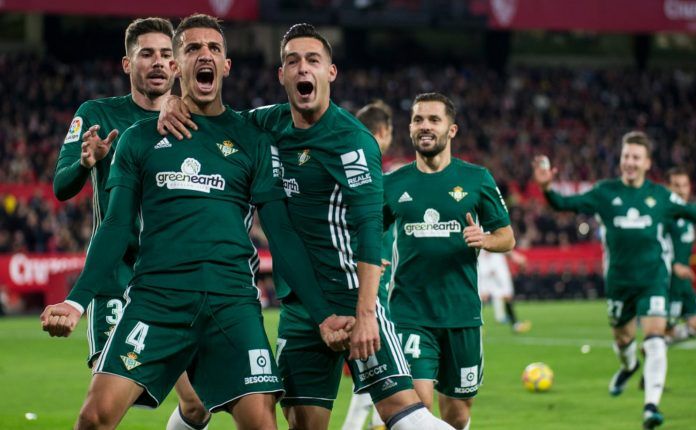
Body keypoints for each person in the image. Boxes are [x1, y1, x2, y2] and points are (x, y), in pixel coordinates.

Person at [40, 14, 351, 430]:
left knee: (260, 422)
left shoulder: (253, 137)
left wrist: (322, 314)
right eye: (191, 49)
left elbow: (283, 235)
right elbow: (114, 226)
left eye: (214, 49)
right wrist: (76, 301)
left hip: (231, 304)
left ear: (225, 66)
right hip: (156, 300)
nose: (204, 55)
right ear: (178, 66)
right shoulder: (139, 138)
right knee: (94, 418)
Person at [158, 23, 455, 430]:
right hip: (300, 308)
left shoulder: (352, 141)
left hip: (353, 299)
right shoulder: (265, 124)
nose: (303, 69)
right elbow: (215, 116)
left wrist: (367, 313)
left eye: (313, 60)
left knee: (404, 417)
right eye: (292, 61)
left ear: (330, 72)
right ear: (281, 75)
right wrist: (172, 101)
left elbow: (370, 228)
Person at [50, 17, 211, 430]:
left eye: (164, 55)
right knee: (106, 408)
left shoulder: (195, 122)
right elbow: (61, 186)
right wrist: (87, 164)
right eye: (146, 54)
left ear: (176, 65)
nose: (157, 63)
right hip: (118, 277)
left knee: (198, 406)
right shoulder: (98, 113)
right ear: (127, 64)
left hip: (174, 281)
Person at [532, 131, 696, 429]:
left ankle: (651, 406)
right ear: (620, 160)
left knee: (656, 337)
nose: (630, 162)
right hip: (620, 282)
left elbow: (693, 212)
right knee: (623, 339)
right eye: (626, 157)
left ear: (647, 163)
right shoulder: (604, 192)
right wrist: (546, 189)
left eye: (636, 157)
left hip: (653, 279)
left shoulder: (660, 196)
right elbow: (564, 204)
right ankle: (629, 365)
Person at [383, 92, 515, 429]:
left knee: (457, 414)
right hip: (410, 313)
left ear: (451, 130)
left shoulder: (476, 179)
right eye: (418, 120)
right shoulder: (393, 183)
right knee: (418, 408)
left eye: (433, 120)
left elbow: (507, 236)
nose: (424, 126)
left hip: (462, 314)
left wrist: (484, 239)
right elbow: (367, 232)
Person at [342, 101, 394, 430]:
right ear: (384, 132)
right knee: (384, 377)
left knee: (369, 380)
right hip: (369, 289)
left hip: (355, 280)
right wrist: (364, 257)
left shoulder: (344, 170)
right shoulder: (370, 176)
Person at [663, 167, 696, 343]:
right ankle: (656, 346)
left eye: (685, 185)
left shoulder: (687, 214)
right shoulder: (664, 215)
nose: (681, 190)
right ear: (668, 188)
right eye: (676, 185)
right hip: (668, 282)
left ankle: (659, 344)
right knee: (666, 328)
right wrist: (673, 265)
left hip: (683, 282)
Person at [477, 249, 531, 333]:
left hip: (490, 262)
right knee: (483, 297)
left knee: (503, 296)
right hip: (489, 263)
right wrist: (515, 256)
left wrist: (514, 256)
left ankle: (515, 325)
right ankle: (476, 325)